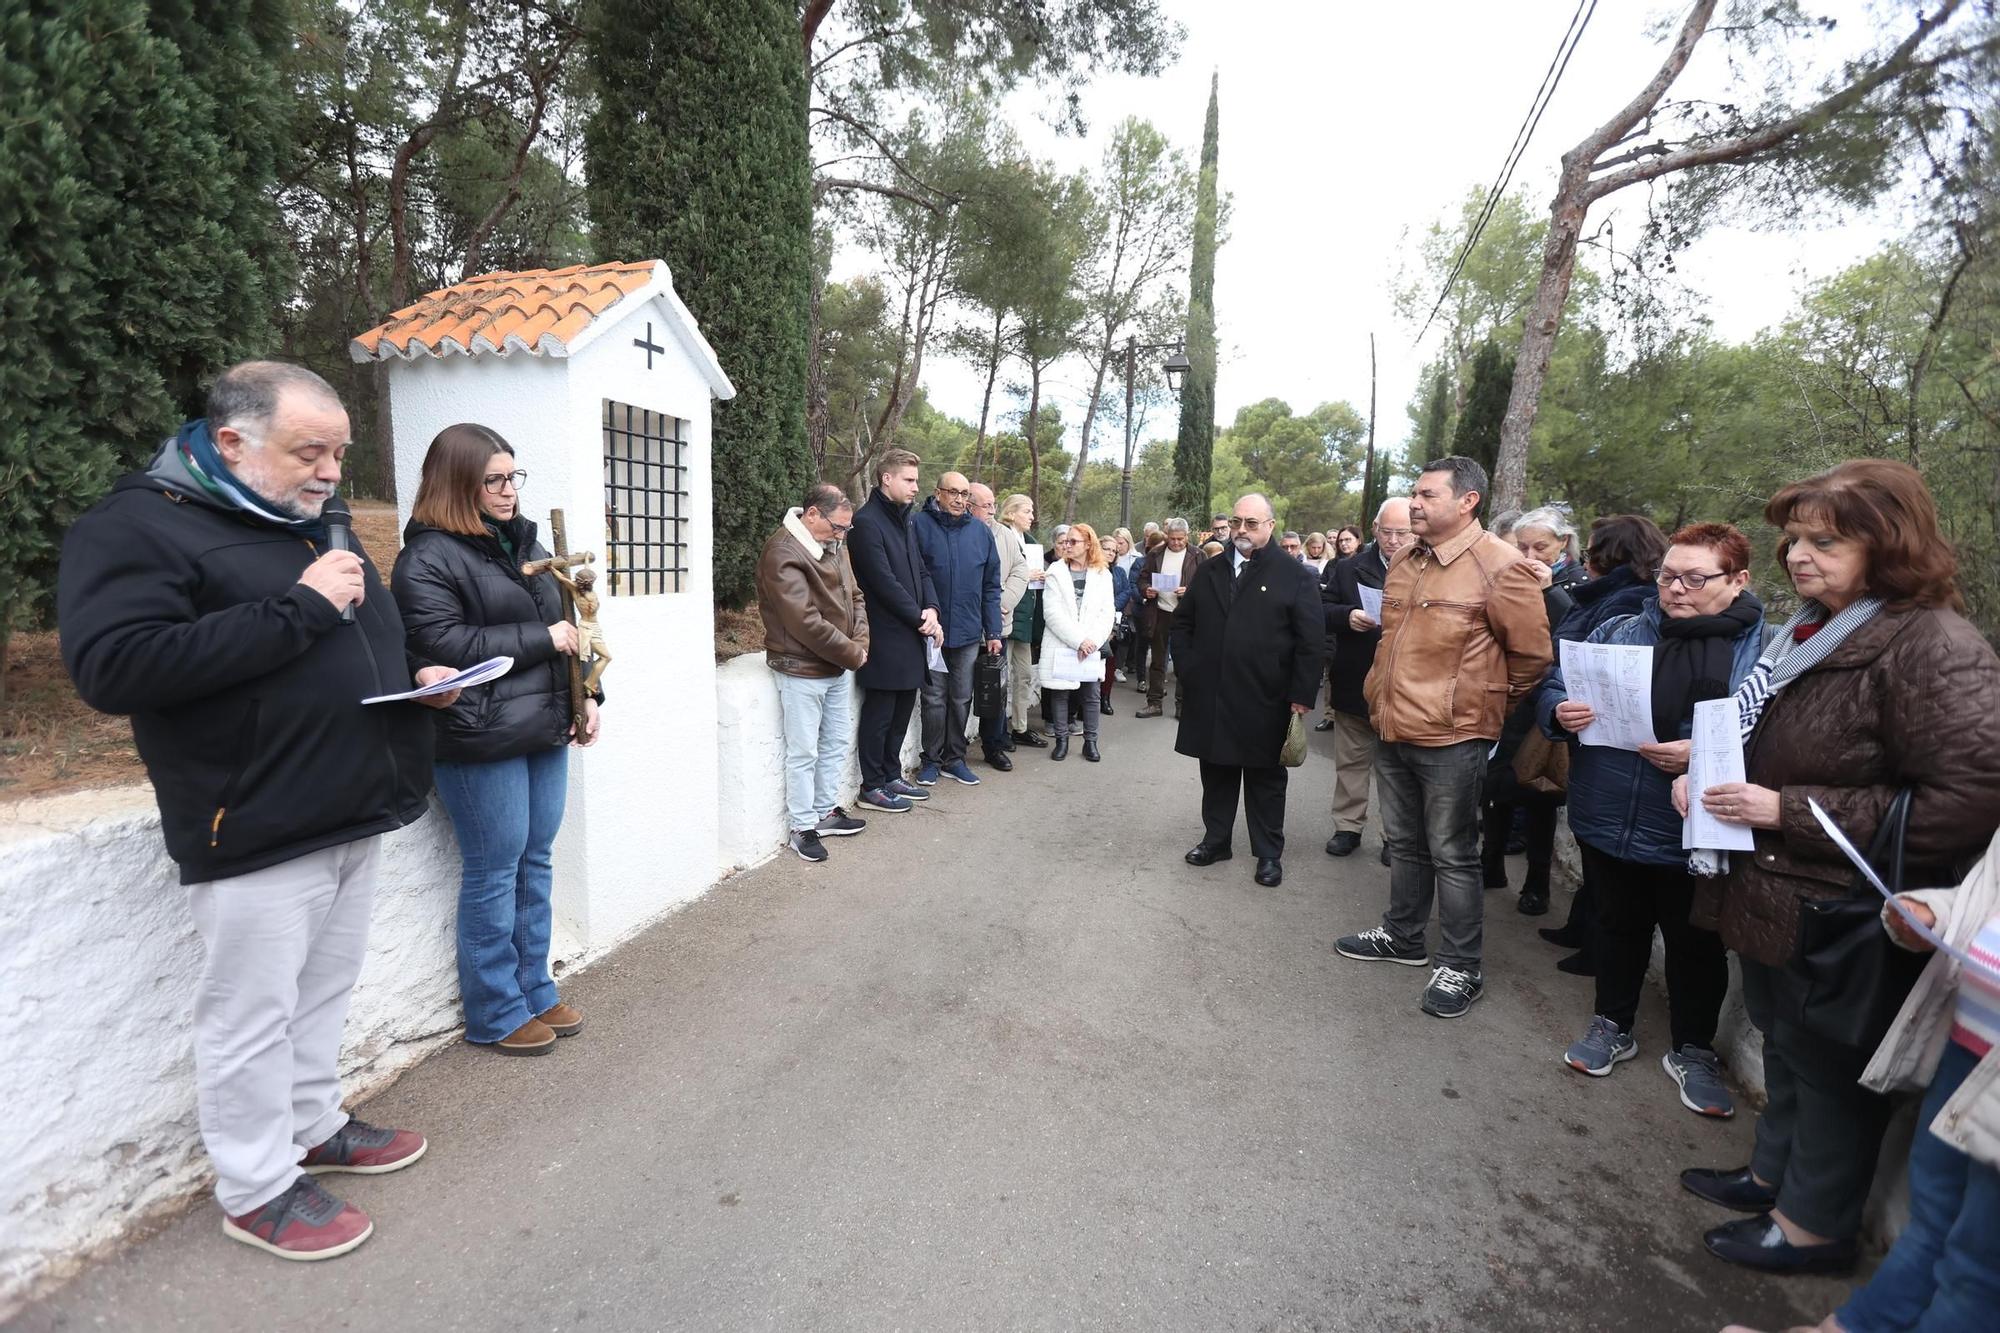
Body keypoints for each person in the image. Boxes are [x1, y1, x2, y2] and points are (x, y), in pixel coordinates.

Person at [59, 361, 447, 1260]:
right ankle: (256, 1184)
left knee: (324, 991)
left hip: (349, 803)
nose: (328, 472)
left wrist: (412, 680)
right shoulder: (137, 527)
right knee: (251, 1014)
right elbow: (115, 667)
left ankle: (312, 1123)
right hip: (252, 820)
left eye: (340, 454)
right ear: (230, 441)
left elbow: (354, 639)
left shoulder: (311, 522)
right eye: (309, 451)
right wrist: (299, 612)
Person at [1672, 459, 2000, 1275]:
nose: (1798, 555)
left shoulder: (1932, 642)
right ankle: (1770, 1178)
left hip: (1840, 903)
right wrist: (1705, 776)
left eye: (1825, 539)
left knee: (1831, 1076)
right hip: (1780, 891)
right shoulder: (1817, 627)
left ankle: (1813, 1228)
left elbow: (1966, 797)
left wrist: (1780, 810)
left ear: (1888, 545)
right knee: (1786, 1047)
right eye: (1793, 538)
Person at [1719, 830, 2000, 1333]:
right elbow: (1987, 894)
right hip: (1970, 1037)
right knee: (1932, 1220)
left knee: (1978, 1268)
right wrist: (1937, 912)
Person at [1536, 523, 1763, 1118]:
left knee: (1694, 942)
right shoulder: (1621, 626)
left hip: (1693, 824)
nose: (1676, 590)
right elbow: (1557, 678)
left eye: (1695, 578)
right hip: (1607, 809)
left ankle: (1692, 1049)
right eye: (1668, 576)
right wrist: (1558, 709)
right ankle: (1612, 1022)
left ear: (1738, 581)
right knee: (1615, 924)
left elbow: (1770, 734)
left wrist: (1701, 752)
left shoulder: (1764, 652)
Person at [392, 424, 603, 1059]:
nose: (509, 491)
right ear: (458, 483)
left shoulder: (526, 543)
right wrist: (545, 641)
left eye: (514, 477)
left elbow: (569, 626)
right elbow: (444, 645)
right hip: (478, 735)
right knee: (494, 868)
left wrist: (586, 696)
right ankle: (494, 1009)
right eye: (495, 480)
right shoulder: (426, 558)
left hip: (542, 724)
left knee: (536, 858)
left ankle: (535, 988)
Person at [1333, 456, 1550, 1019]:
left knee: (1453, 853)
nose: (1415, 504)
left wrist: (1479, 708)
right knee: (1403, 842)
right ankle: (1403, 936)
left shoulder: (1504, 567)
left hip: (1454, 737)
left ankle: (1461, 965)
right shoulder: (1406, 559)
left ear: (1467, 501)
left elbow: (1531, 659)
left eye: (1427, 495)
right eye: (1414, 494)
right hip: (1392, 725)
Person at [1537, 513, 1669, 974]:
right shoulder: (1607, 595)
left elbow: (1599, 668)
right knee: (1594, 842)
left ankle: (1596, 942)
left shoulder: (1625, 603)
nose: (1585, 558)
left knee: (1606, 853)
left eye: (1593, 550)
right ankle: (1583, 926)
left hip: (1609, 734)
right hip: (1584, 723)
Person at [1174, 493, 1324, 887]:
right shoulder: (1209, 571)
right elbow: (1183, 625)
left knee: (1266, 781)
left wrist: (1302, 695)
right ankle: (1216, 840)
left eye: (1251, 523)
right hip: (1213, 695)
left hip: (1267, 698)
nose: (1242, 530)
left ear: (1270, 526)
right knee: (1217, 772)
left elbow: (1311, 641)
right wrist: (1190, 669)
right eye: (1238, 522)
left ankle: (1269, 854)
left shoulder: (1295, 576)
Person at [753, 482, 870, 862]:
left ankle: (824, 812)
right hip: (800, 666)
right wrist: (853, 652)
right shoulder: (782, 552)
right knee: (803, 751)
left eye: (846, 529)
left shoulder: (835, 542)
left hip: (837, 663)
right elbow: (803, 621)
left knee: (835, 743)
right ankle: (802, 827)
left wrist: (861, 643)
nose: (842, 535)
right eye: (838, 527)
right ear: (813, 514)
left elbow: (855, 596)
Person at [1481, 505, 1589, 915]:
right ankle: (1491, 863)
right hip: (1507, 697)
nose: (1530, 555)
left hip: (1546, 704)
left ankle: (1537, 882)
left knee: (1539, 794)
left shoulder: (1574, 582)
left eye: (1539, 546)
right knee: (1496, 786)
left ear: (1562, 543)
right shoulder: (1512, 573)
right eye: (1522, 546)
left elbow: (1572, 638)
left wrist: (1548, 592)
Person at [847, 449, 942, 814]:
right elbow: (881, 581)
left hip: (912, 630)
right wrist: (922, 618)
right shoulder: (867, 522)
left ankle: (890, 774)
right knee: (881, 711)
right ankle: (871, 786)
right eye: (909, 479)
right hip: (884, 634)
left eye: (916, 480)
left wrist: (932, 609)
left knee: (903, 707)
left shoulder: (907, 520)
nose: (916, 487)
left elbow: (921, 570)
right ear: (886, 478)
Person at [1318, 498, 1414, 856]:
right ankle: (1347, 826)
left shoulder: (1428, 566)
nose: (1392, 539)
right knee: (1352, 761)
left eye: (1401, 532)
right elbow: (1323, 609)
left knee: (1397, 767)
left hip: (1405, 685)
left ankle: (1395, 836)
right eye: (1386, 531)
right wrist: (1348, 616)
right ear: (1374, 530)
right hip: (1356, 675)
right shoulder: (1348, 568)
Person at [911, 471, 1002, 788]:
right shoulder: (918, 526)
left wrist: (993, 632)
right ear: (938, 493)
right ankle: (931, 760)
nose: (960, 499)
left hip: (967, 631)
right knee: (934, 697)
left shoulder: (981, 532)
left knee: (962, 697)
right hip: (931, 631)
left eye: (965, 494)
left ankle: (955, 759)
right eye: (953, 492)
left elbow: (992, 586)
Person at [1040, 522, 1117, 761]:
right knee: (1061, 693)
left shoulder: (1103, 574)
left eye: (1073, 542)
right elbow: (1052, 613)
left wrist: (1092, 641)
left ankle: (1091, 742)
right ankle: (1061, 740)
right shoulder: (1055, 571)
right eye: (1065, 541)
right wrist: (1078, 641)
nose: (1067, 545)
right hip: (1063, 642)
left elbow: (1107, 612)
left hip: (1091, 645)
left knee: (1092, 694)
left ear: (1088, 545)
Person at [1136, 518, 1205, 720]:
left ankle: (1182, 705)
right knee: (1157, 661)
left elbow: (1208, 585)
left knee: (1184, 661)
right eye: (1172, 539)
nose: (1175, 543)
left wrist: (1190, 591)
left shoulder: (1198, 556)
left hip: (1186, 615)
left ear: (1187, 536)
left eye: (1180, 539)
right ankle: (1154, 703)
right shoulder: (1156, 553)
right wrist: (1146, 589)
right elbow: (1142, 578)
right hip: (1160, 611)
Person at [997, 494, 1048, 751]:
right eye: (1027, 511)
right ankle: (998, 731)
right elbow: (999, 574)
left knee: (1025, 675)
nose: (1031, 516)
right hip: (1006, 614)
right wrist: (1025, 576)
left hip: (1025, 617)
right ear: (1011, 512)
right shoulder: (1000, 536)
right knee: (1001, 677)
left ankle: (1020, 726)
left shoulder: (1030, 542)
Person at [1101, 541, 1137, 716]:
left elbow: (1127, 590)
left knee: (1110, 661)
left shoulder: (1119, 572)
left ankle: (1105, 698)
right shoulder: (1090, 571)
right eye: (1106, 549)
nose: (1110, 553)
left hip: (1113, 620)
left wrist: (1111, 605)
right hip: (1094, 620)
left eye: (1114, 551)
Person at [1129, 528, 1166, 689]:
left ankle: (1158, 681)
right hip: (1143, 610)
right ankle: (1141, 679)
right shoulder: (1140, 562)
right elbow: (1133, 584)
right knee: (1142, 644)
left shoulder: (1167, 563)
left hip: (1162, 609)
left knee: (1162, 646)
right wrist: (1144, 597)